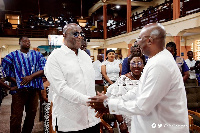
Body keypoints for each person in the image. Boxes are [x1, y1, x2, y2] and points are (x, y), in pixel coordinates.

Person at [88, 23, 189, 133]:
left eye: (139, 38)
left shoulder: (160, 64)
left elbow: (143, 106)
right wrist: (111, 101)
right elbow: (140, 89)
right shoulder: (155, 59)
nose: (137, 42)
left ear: (150, 41)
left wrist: (109, 104)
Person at [44, 23, 100, 133]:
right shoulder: (54, 58)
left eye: (81, 33)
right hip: (70, 121)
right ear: (64, 35)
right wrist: (89, 101)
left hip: (92, 118)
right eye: (75, 33)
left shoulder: (86, 57)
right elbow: (61, 89)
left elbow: (90, 85)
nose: (80, 36)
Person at [2, 36, 46, 133]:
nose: (27, 43)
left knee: (31, 115)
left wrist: (30, 77)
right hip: (19, 91)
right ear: (19, 43)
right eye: (25, 41)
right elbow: (6, 71)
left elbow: (44, 68)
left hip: (33, 90)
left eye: (29, 41)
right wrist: (18, 83)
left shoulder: (37, 55)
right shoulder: (12, 55)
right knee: (16, 116)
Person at [105, 55, 145, 133]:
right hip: (128, 121)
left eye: (139, 63)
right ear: (129, 65)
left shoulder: (148, 78)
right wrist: (121, 122)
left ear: (143, 65)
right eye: (133, 63)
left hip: (146, 119)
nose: (136, 66)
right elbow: (115, 102)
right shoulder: (122, 80)